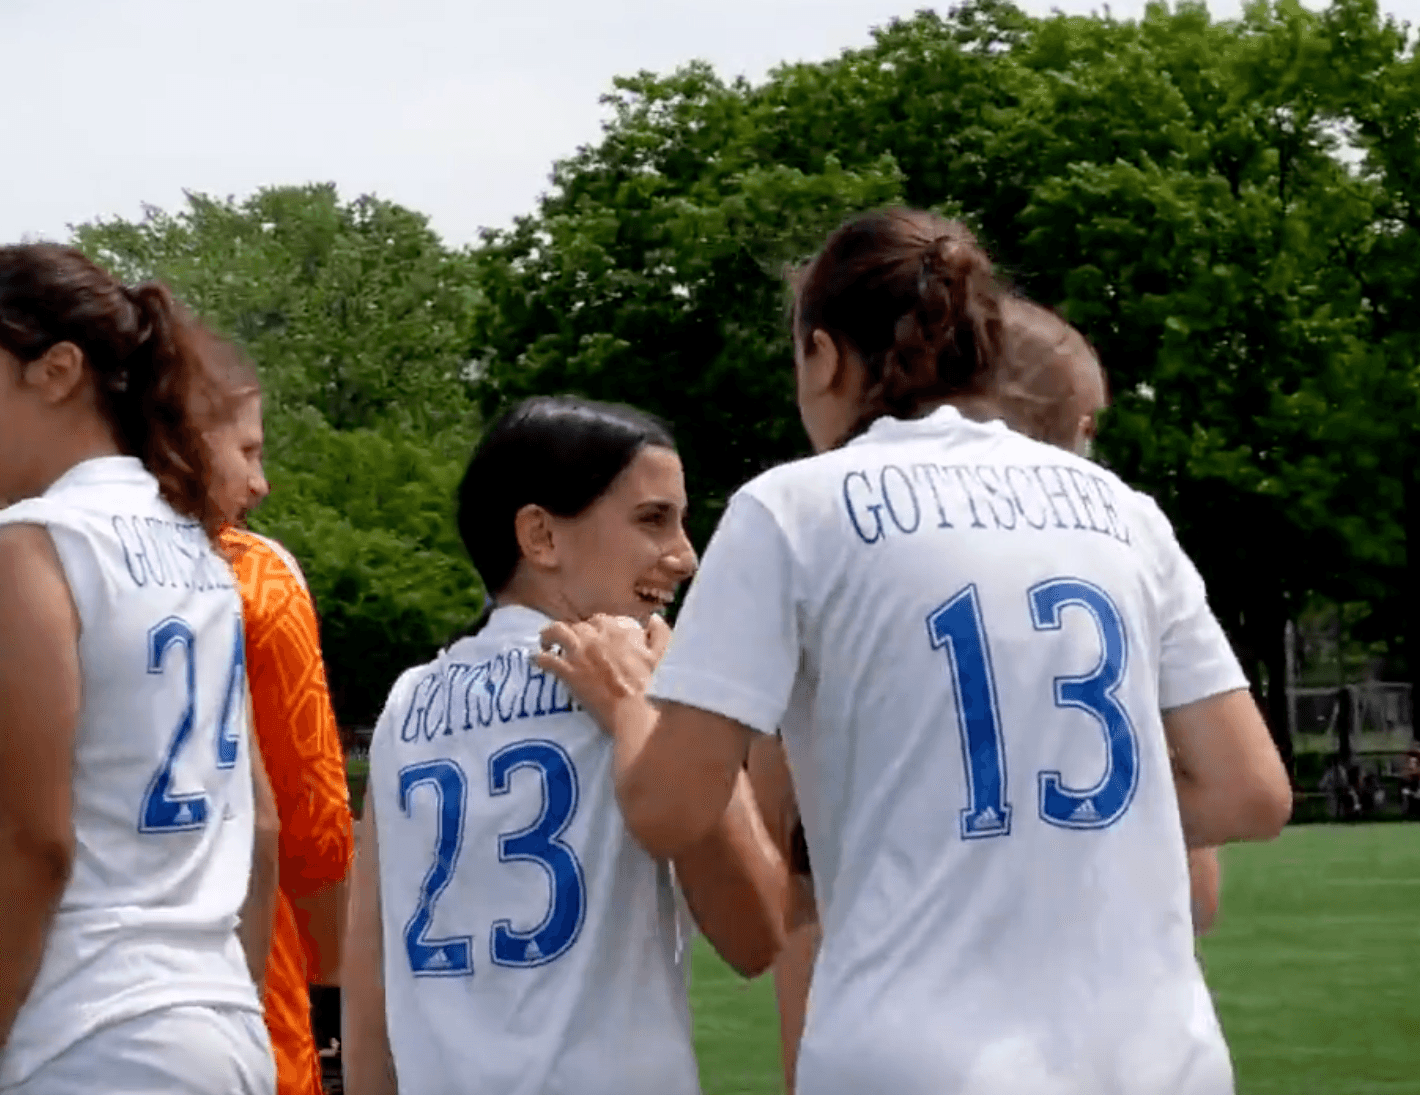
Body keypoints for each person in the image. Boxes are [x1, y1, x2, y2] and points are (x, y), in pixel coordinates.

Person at [537, 209, 1291, 1095]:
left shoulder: (790, 509)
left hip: (911, 1055)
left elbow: (671, 808)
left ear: (823, 355)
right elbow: (1251, 792)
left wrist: (631, 695)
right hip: (1162, 1058)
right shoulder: (1124, 510)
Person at [751, 294, 1231, 1088]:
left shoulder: (831, 573)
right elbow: (1202, 889)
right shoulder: (1119, 570)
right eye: (1088, 427)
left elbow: (789, 896)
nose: (1092, 453)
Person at [0, 244, 279, 1095]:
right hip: (220, 1029)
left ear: (55, 371)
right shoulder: (197, 547)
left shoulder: (32, 545)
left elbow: (36, 844)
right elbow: (261, 825)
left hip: (90, 1034)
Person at [343, 397, 787, 1095]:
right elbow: (756, 933)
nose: (685, 555)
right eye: (653, 519)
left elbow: (369, 983)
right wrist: (677, 696)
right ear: (540, 536)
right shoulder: (638, 684)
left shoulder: (406, 703)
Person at [202, 350, 355, 1095]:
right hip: (243, 974)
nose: (260, 483)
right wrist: (336, 998)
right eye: (248, 450)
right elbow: (311, 819)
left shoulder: (15, 567)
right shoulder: (254, 575)